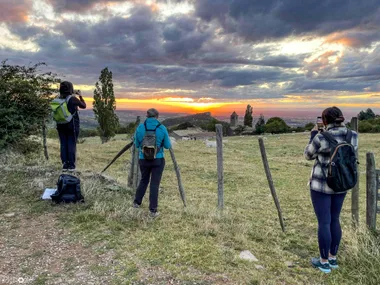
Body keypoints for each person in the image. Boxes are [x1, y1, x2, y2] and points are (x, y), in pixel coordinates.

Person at [304, 106, 358, 273]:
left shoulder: (321, 137)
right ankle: (333, 258)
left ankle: (323, 262)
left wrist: (313, 135)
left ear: (325, 121)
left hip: (321, 185)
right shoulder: (353, 135)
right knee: (335, 219)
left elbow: (308, 155)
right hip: (342, 183)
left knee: (324, 222)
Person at [133, 108, 171, 217]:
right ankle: (153, 210)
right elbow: (168, 146)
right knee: (154, 184)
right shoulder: (162, 128)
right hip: (157, 159)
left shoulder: (140, 127)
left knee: (144, 180)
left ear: (147, 116)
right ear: (157, 116)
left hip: (143, 159)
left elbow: (136, 144)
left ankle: (136, 203)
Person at [57, 81, 86, 171]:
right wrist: (80, 96)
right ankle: (71, 166)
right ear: (71, 88)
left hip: (60, 125)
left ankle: (65, 165)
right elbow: (83, 106)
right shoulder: (73, 99)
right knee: (71, 144)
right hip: (71, 125)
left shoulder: (58, 99)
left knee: (63, 144)